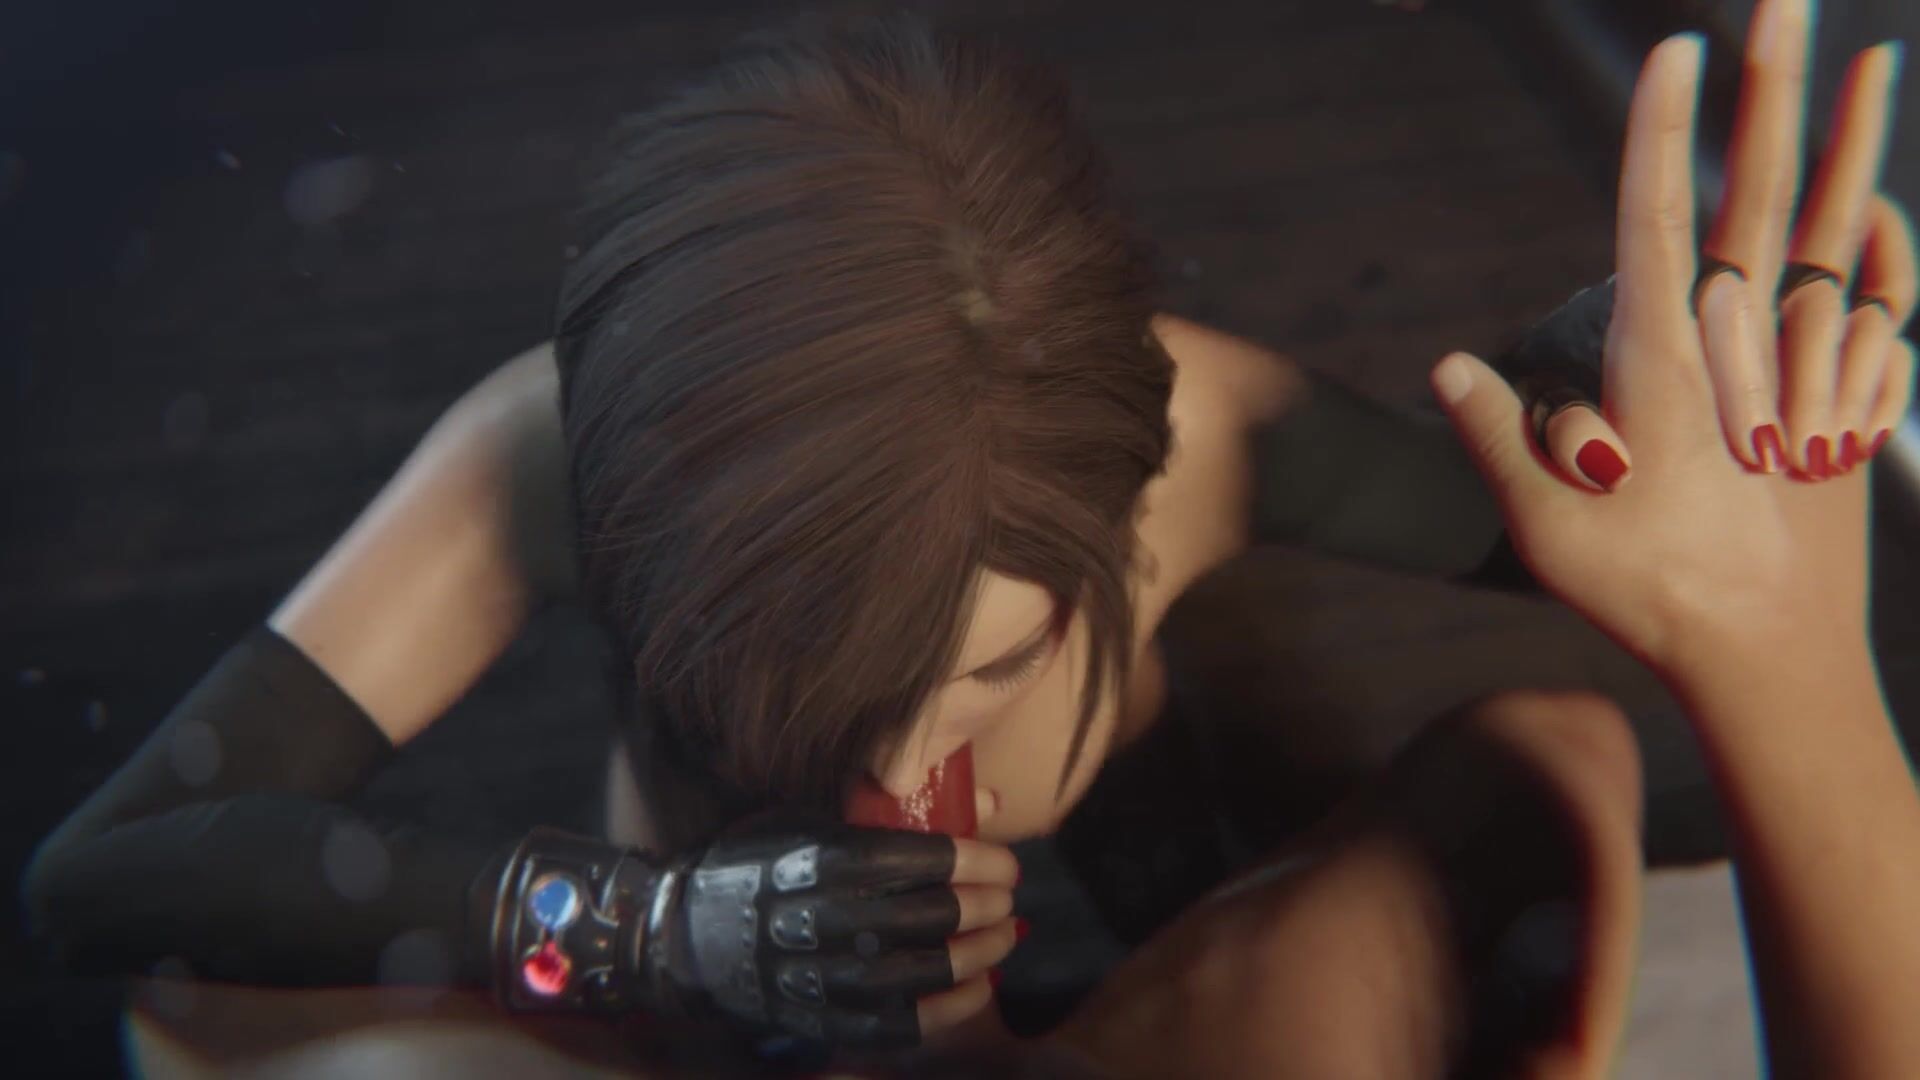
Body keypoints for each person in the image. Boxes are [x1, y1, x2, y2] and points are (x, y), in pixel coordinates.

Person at [21, 0, 1919, 1074]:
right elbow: (104, 880)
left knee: (1539, 767)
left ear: (1127, 508)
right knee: (201, 1006)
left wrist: (1599, 402)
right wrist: (654, 930)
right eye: (802, 692)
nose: (901, 777)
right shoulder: (548, 453)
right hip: (700, 984)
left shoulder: (1203, 437)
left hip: (1125, 882)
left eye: (990, 671)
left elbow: (1565, 561)